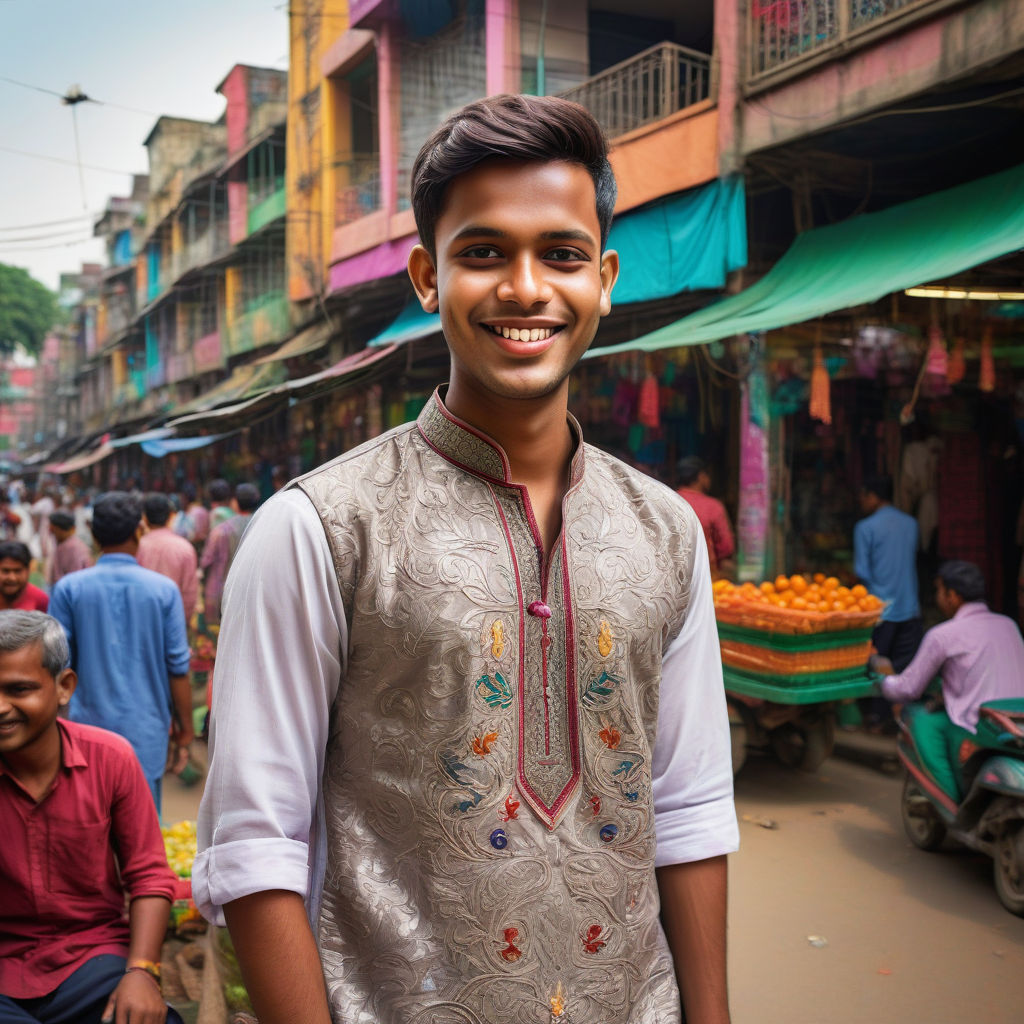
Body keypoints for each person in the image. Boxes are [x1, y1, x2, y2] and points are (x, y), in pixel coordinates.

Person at [194, 94, 737, 1024]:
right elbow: (255, 843)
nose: (526, 288)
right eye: (484, 252)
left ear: (604, 278)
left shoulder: (666, 531)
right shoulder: (318, 529)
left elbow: (686, 811)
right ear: (425, 277)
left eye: (562, 255)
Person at [0, 610, 183, 1024]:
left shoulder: (111, 758)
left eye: (19, 689)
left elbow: (149, 876)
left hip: (91, 957)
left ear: (64, 687)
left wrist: (142, 970)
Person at [48, 492, 193, 814]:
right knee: (141, 835)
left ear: (94, 534)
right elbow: (178, 667)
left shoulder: (70, 589)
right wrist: (185, 731)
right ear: (138, 531)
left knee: (89, 826)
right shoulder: (163, 590)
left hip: (85, 730)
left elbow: (57, 666)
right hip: (147, 730)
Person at [874, 561, 1024, 799]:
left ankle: (950, 800)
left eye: (939, 591)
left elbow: (908, 688)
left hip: (982, 726)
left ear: (952, 596)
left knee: (920, 720)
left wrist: (881, 680)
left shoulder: (943, 635)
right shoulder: (1009, 625)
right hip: (1017, 723)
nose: (937, 598)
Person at [854, 475, 922, 729]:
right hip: (910, 608)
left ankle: (876, 716)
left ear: (873, 496)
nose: (861, 501)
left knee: (877, 664)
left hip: (880, 611)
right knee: (904, 669)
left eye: (863, 496)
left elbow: (862, 571)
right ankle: (898, 719)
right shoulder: (911, 524)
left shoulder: (865, 527)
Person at [198, 483, 259, 627]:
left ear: (235, 502)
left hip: (223, 593)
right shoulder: (263, 526)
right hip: (254, 593)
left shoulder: (221, 530)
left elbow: (206, 561)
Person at [138, 493, 199, 624]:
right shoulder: (185, 548)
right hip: (173, 621)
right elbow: (189, 594)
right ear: (171, 515)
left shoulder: (137, 547)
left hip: (142, 620)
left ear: (145, 518)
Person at [677, 455, 736, 579]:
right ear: (701, 476)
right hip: (705, 578)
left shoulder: (668, 500)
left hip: (673, 578)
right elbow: (726, 547)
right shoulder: (713, 507)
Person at [48, 509, 93, 585]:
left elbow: (75, 579)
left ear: (58, 529)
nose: (51, 532)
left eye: (52, 529)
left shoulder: (70, 547)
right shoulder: (74, 544)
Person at [0, 542, 48, 612]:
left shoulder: (40, 599)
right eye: (6, 571)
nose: (12, 578)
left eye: (17, 571)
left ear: (28, 570)